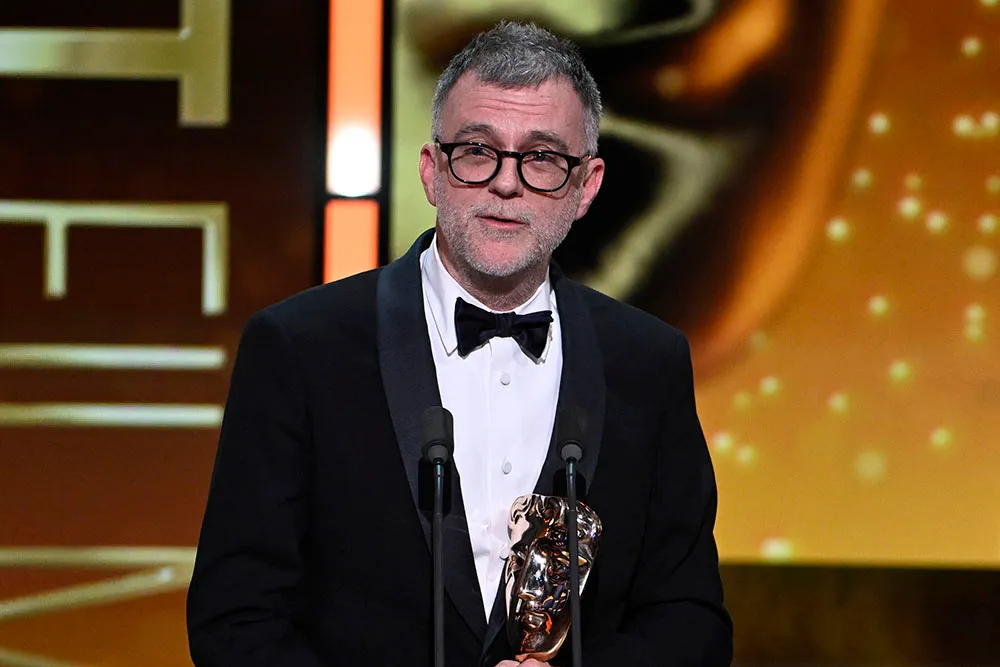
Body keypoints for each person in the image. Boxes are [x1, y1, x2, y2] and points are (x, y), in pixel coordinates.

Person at [187, 20, 734, 667]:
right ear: (431, 170)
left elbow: (691, 621)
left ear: (586, 186)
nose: (506, 183)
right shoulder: (299, 348)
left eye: (541, 158)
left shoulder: (648, 362)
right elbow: (236, 619)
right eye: (477, 150)